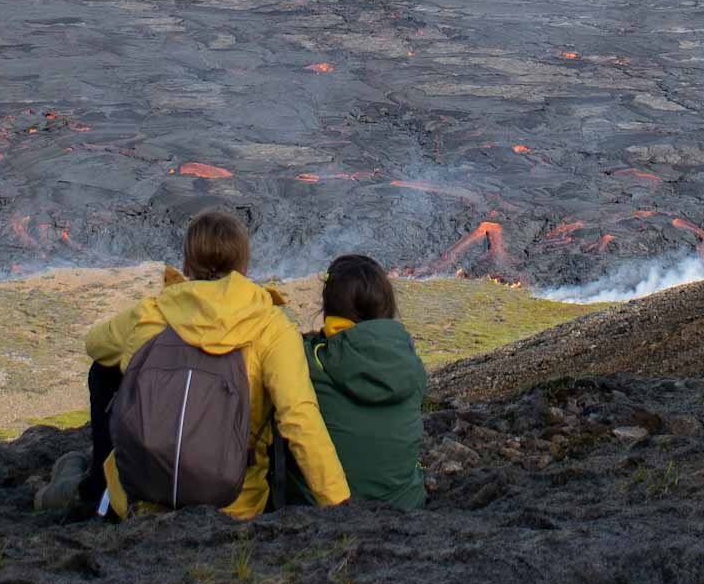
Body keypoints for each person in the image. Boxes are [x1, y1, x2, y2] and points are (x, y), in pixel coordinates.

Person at [39, 211, 350, 519]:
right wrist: (340, 506)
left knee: (103, 370)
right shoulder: (270, 326)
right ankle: (87, 483)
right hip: (234, 504)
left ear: (186, 265)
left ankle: (94, 486)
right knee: (280, 401)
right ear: (243, 266)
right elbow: (299, 418)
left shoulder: (153, 313)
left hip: (142, 497)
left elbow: (94, 344)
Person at [277, 255, 427, 510]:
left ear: (329, 307)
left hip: (319, 511)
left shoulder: (307, 361)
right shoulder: (410, 364)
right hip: (405, 507)